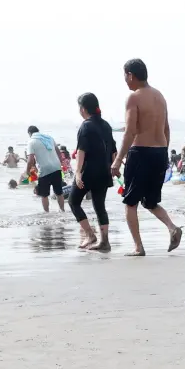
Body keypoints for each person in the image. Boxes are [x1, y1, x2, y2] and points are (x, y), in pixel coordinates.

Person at [111, 58, 180, 255]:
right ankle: (172, 227)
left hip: (141, 152)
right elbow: (166, 128)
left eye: (125, 76)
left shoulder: (134, 97)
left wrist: (117, 160)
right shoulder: (160, 96)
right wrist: (165, 153)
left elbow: (130, 131)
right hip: (160, 152)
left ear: (130, 75)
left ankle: (138, 247)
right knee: (149, 201)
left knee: (129, 201)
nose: (125, 80)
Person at [72, 92, 117, 250]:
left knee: (73, 202)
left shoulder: (85, 125)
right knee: (99, 206)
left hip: (88, 172)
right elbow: (113, 149)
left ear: (83, 109)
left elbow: (81, 151)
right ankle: (104, 242)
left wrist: (78, 173)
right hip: (104, 171)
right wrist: (115, 166)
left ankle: (91, 236)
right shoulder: (106, 125)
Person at [26, 124, 67, 213]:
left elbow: (30, 160)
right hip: (56, 168)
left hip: (44, 170)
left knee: (44, 195)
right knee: (59, 192)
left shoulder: (31, 142)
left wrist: (27, 172)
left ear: (29, 133)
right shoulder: (49, 138)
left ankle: (47, 213)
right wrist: (59, 165)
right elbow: (59, 153)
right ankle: (62, 210)